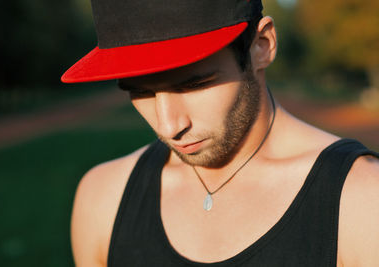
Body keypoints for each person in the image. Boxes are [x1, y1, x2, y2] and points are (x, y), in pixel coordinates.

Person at [62, 0, 379, 266]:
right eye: (141, 92)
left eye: (194, 84)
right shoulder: (103, 198)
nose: (169, 126)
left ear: (261, 47)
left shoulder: (363, 202)